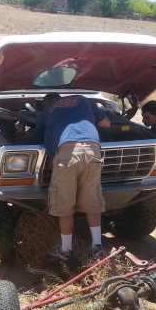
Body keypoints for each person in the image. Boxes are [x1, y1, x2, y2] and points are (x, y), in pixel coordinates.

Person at [33, 93, 111, 261]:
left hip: (66, 154)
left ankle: (66, 249)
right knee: (92, 199)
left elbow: (35, 138)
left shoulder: (46, 112)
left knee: (64, 203)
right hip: (93, 150)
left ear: (47, 103)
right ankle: (97, 246)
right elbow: (106, 123)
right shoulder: (83, 99)